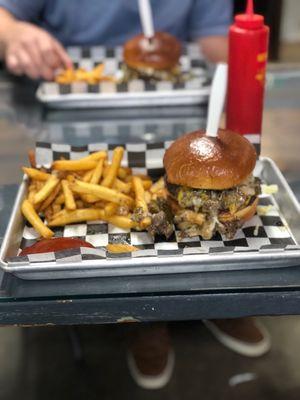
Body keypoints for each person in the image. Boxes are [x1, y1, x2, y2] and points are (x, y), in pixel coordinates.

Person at [0, 0, 271, 390]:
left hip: (184, 112)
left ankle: (221, 298)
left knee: (199, 228)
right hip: (69, 111)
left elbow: (216, 46)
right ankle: (146, 318)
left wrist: (234, 67)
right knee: (150, 233)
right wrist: (13, 33)